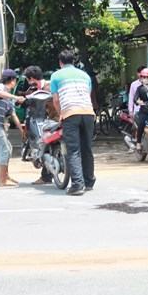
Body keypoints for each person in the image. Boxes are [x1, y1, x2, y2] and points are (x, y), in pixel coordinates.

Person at [50, 49, 96, 196]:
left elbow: (56, 100)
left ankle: (77, 184)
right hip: (88, 112)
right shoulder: (85, 75)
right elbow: (87, 95)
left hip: (70, 113)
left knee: (73, 150)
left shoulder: (56, 76)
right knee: (87, 148)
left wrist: (60, 114)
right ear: (73, 61)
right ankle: (89, 181)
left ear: (60, 62)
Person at [22, 66, 56, 186]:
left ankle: (46, 177)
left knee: (44, 144)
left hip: (53, 119)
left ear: (31, 78)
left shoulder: (48, 87)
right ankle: (47, 175)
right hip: (51, 118)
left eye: (28, 79)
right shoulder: (37, 88)